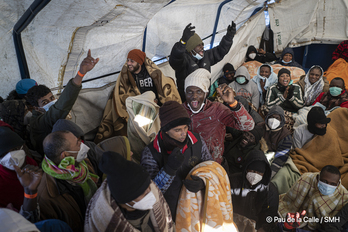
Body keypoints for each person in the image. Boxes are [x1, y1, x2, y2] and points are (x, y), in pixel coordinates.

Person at [141, 100, 213, 220]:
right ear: (165, 129)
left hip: (197, 207)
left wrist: (204, 183)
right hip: (170, 212)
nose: (183, 133)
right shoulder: (151, 152)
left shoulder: (197, 141)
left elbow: (211, 168)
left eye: (185, 127)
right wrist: (169, 170)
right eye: (177, 130)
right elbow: (151, 193)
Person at [96, 49, 181, 143]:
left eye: (132, 61)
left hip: (153, 105)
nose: (128, 63)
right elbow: (123, 90)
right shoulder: (128, 75)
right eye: (128, 60)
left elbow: (161, 86)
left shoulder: (150, 73)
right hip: (138, 106)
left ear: (139, 63)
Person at [26, 49, 99, 155]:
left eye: (52, 98)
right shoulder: (38, 123)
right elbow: (59, 108)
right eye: (45, 102)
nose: (52, 102)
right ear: (36, 108)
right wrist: (81, 73)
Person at [85, 151, 174, 232]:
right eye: (143, 193)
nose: (151, 193)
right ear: (126, 199)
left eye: (148, 187)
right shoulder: (107, 224)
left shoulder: (153, 192)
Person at [182, 68, 255, 164]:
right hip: (186, 163)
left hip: (213, 163)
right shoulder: (179, 111)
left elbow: (248, 126)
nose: (194, 96)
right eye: (189, 91)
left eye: (199, 91)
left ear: (206, 93)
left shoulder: (216, 109)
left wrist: (233, 103)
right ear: (185, 93)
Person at [38, 131, 99, 232]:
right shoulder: (46, 197)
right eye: (77, 143)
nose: (82, 143)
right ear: (65, 155)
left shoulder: (81, 163)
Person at [169, 21, 236, 101]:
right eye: (198, 45)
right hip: (187, 100)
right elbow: (175, 58)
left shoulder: (206, 56)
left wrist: (229, 37)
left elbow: (220, 51)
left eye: (202, 44)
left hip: (203, 98)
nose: (202, 47)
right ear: (191, 49)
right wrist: (182, 42)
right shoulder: (183, 60)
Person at [278, 165, 348, 230]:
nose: (327, 186)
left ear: (338, 184)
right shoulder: (306, 179)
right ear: (318, 178)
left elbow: (334, 222)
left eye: (332, 184)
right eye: (324, 181)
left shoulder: (343, 195)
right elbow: (290, 201)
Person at [230, 150, 279, 230]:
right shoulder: (232, 182)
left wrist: (260, 228)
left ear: (264, 173)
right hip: (232, 222)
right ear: (246, 169)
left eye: (259, 173)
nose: (255, 175)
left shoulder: (271, 192)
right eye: (252, 171)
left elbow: (269, 217)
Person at [0, 126, 38, 210]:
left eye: (15, 149)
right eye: (4, 154)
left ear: (22, 147)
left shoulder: (30, 163)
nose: (12, 156)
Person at [263, 106, 292, 178]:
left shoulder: (285, 136)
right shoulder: (260, 128)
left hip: (275, 161)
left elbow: (280, 158)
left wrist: (269, 175)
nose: (273, 120)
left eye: (277, 118)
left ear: (281, 120)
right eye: (271, 117)